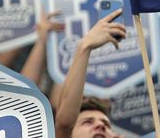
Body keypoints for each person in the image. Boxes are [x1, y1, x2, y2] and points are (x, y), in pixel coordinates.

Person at [54, 9, 126, 138]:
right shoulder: (64, 128)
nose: (101, 126)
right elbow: (64, 122)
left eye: (106, 124)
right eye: (87, 122)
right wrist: (85, 46)